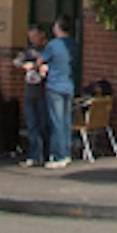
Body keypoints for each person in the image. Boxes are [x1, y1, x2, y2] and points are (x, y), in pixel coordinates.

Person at [40, 15, 75, 169]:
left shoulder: (53, 45)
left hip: (55, 86)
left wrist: (38, 64)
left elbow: (40, 61)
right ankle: (66, 153)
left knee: (57, 121)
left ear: (59, 28)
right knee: (66, 122)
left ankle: (58, 155)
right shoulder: (73, 44)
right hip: (68, 85)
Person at [16, 24, 49, 167]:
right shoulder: (28, 50)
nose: (33, 40)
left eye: (35, 36)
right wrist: (23, 64)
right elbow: (17, 60)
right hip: (30, 92)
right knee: (31, 125)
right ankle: (33, 155)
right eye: (31, 37)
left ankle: (45, 154)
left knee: (43, 125)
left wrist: (39, 67)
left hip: (44, 92)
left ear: (42, 35)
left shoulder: (48, 49)